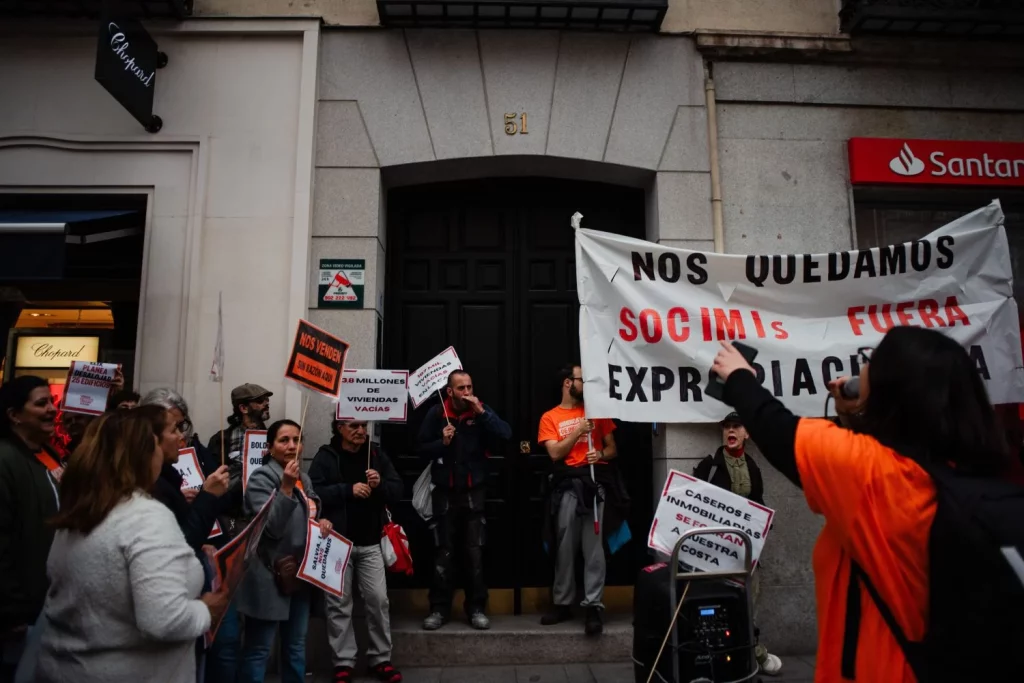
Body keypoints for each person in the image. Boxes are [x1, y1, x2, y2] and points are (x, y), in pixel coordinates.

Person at [710, 327, 1022, 682]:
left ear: (890, 391)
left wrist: (738, 377)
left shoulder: (879, 479)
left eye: (870, 363)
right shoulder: (952, 481)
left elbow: (777, 428)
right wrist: (855, 420)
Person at [33, 410, 228, 683]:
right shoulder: (144, 516)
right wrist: (206, 610)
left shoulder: (79, 512)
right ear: (143, 454)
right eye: (155, 443)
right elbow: (165, 620)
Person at [141, 387, 239, 683]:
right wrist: (205, 498)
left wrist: (212, 493)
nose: (182, 437)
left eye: (183, 426)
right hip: (183, 597)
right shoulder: (148, 496)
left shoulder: (192, 455)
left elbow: (228, 498)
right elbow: (180, 545)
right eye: (173, 428)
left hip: (209, 561)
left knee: (225, 646)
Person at [237, 419, 332, 683]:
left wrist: (321, 521)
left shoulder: (305, 476)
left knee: (295, 646)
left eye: (297, 440)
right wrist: (286, 488)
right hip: (269, 575)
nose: (292, 446)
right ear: (269, 447)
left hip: (299, 575)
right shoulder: (261, 478)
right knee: (259, 649)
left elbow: (310, 510)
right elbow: (272, 529)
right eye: (284, 440)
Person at [310, 419, 404, 683]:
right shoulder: (326, 456)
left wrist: (380, 483)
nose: (361, 431)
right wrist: (347, 490)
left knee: (378, 601)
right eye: (353, 426)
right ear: (339, 428)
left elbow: (397, 491)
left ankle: (381, 659)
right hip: (337, 543)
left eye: (364, 425)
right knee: (338, 604)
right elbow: (313, 492)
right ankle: (343, 662)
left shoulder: (375, 455)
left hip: (371, 542)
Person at [417, 370, 511, 631]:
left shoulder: (480, 411)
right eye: (461, 388)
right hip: (444, 493)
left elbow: (505, 435)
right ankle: (439, 609)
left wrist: (483, 414)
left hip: (473, 493)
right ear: (450, 392)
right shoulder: (437, 414)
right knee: (443, 553)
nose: (467, 392)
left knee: (474, 553)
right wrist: (441, 443)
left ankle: (477, 608)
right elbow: (420, 448)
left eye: (469, 386)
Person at [692, 412, 782, 676]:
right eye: (727, 427)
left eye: (736, 427)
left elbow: (757, 503)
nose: (730, 431)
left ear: (747, 434)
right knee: (716, 604)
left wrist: (764, 523)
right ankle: (715, 656)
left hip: (744, 551)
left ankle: (749, 650)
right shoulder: (709, 466)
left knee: (748, 601)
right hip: (715, 553)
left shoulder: (753, 466)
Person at [537, 363, 619, 635]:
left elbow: (612, 448)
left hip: (594, 485)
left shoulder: (597, 411)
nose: (587, 385)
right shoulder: (550, 417)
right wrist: (578, 431)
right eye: (582, 380)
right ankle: (562, 602)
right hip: (568, 488)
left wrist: (602, 456)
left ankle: (593, 604)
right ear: (568, 383)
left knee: (594, 549)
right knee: (564, 547)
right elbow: (555, 454)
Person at [0, 376, 59, 682]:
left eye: (51, 402)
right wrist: (11, 609)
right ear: (14, 415)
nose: (52, 409)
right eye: (41, 403)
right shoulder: (6, 460)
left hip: (44, 609)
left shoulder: (46, 456)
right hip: (19, 618)